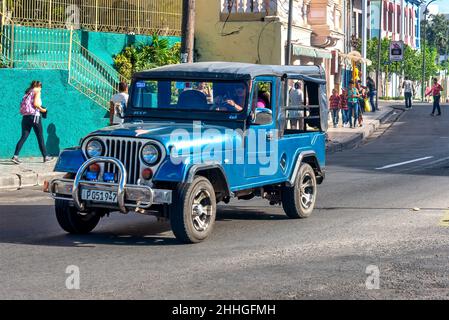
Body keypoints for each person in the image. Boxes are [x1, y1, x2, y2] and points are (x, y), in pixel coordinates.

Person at [12, 81, 52, 164]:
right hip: (35, 117)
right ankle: (46, 157)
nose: (41, 88)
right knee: (40, 137)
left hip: (25, 117)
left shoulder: (27, 93)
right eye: (41, 87)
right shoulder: (37, 91)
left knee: (23, 137)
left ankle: (15, 156)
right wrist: (43, 110)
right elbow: (36, 104)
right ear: (39, 86)